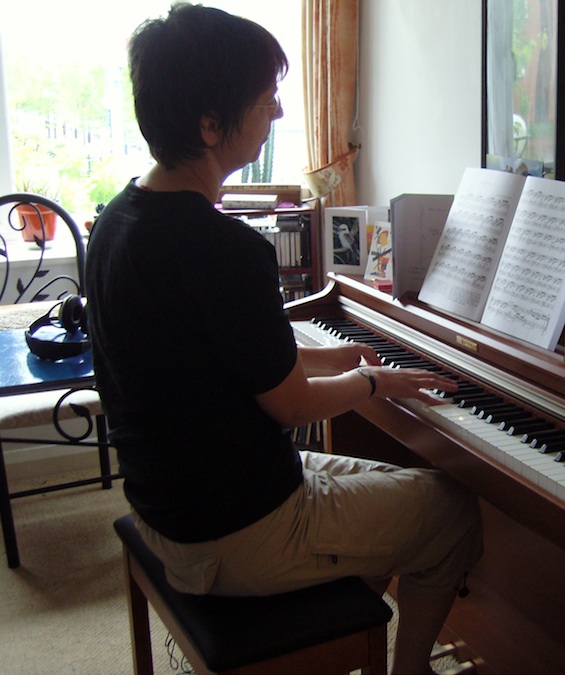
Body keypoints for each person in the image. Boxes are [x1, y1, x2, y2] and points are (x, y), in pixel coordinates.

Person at [84, 5, 483, 674]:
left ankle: (330, 643)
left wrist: (337, 356)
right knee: (452, 511)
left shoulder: (117, 219)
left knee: (411, 487)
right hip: (238, 531)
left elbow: (229, 358)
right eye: (265, 96)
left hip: (170, 506)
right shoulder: (223, 248)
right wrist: (373, 381)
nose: (276, 110)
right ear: (210, 124)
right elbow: (292, 405)